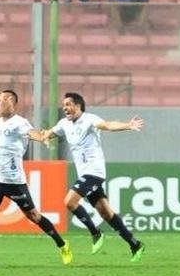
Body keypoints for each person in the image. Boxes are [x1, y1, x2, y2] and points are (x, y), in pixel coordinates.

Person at [0, 89, 72, 268]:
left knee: (34, 216)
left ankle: (62, 244)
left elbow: (31, 133)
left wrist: (42, 138)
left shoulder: (20, 122)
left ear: (11, 101)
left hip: (15, 181)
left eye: (2, 100)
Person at [42, 92, 146, 260]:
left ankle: (95, 232)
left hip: (94, 172)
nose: (65, 108)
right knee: (106, 213)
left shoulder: (90, 119)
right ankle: (135, 244)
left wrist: (128, 125)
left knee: (69, 201)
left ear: (78, 106)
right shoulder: (64, 124)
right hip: (84, 173)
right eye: (64, 105)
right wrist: (45, 136)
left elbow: (108, 125)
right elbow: (50, 132)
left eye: (68, 104)